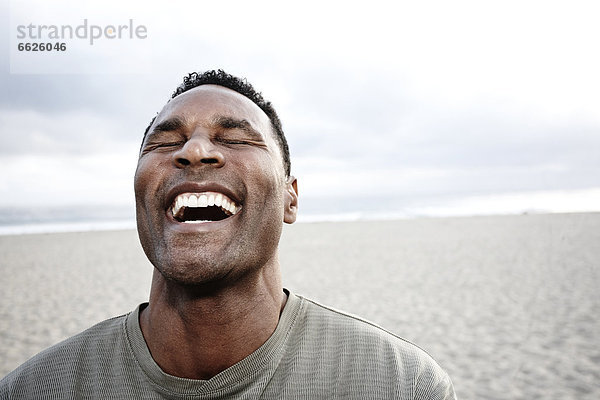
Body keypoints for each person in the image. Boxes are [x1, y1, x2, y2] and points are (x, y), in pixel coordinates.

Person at [0, 70, 456, 399]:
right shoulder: (34, 389)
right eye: (164, 142)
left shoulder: (401, 384)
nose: (194, 150)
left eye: (235, 138)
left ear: (290, 199)